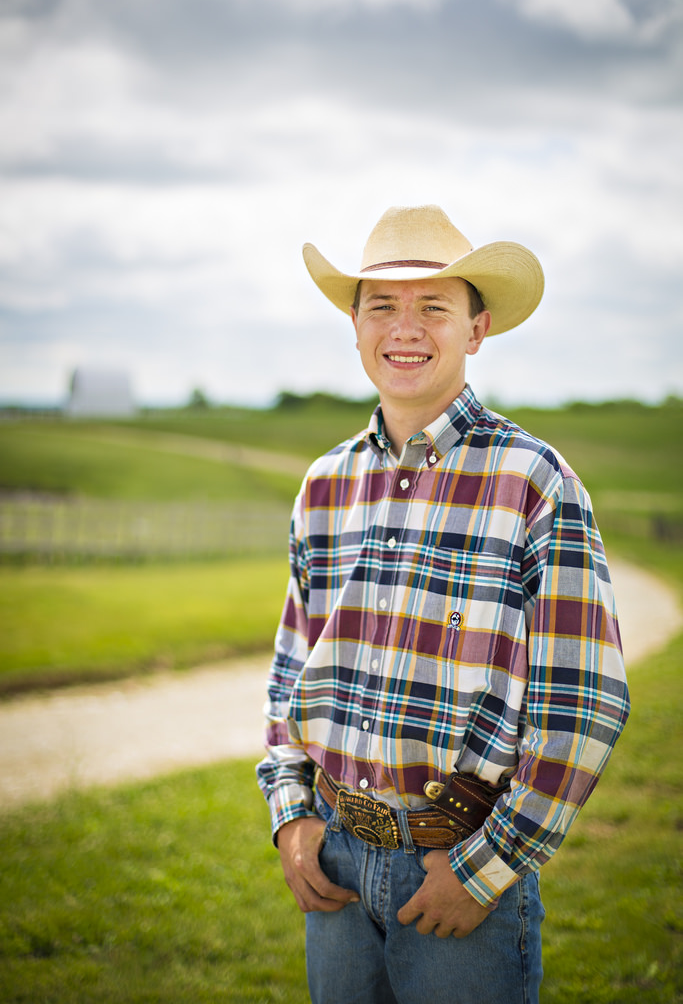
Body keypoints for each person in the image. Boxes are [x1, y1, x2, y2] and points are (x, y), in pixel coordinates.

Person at [256, 204, 630, 1004]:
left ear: (476, 329)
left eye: (434, 306)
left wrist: (485, 867)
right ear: (354, 325)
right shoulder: (325, 485)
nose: (405, 328)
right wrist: (291, 819)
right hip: (337, 866)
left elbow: (583, 703)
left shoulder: (531, 480)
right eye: (382, 305)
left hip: (458, 866)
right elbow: (291, 668)